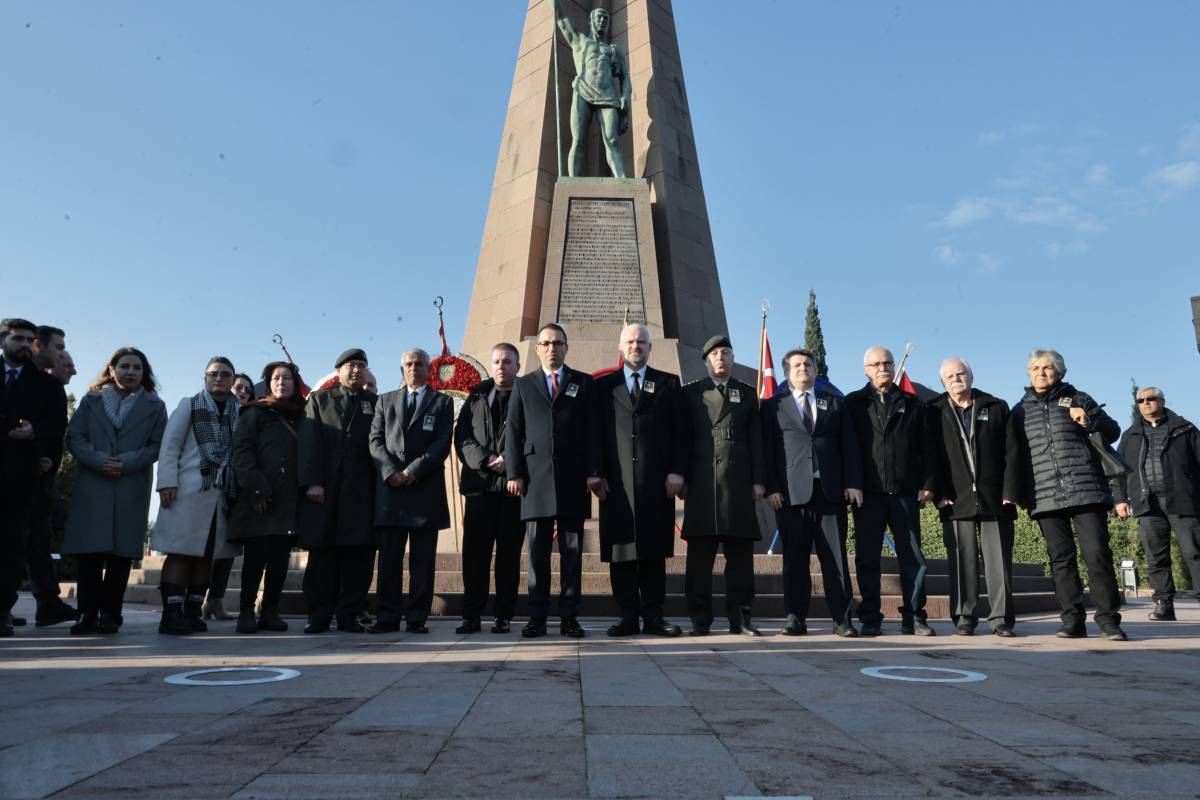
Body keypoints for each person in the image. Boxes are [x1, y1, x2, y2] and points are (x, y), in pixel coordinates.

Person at [1012, 349, 1127, 641]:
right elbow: (1015, 457)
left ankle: (1109, 620)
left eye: (1047, 367)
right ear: (1028, 373)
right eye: (1035, 367)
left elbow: (1113, 430)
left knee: (1097, 555)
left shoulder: (1079, 398)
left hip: (1086, 490)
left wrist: (1089, 420)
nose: (1041, 372)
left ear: (1059, 372)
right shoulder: (1019, 410)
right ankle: (1072, 620)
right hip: (1045, 495)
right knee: (1061, 561)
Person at [588, 324, 687, 637]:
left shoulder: (668, 384)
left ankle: (654, 616)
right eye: (630, 341)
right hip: (615, 485)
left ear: (649, 347)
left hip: (656, 483)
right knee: (621, 553)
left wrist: (677, 471)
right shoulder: (604, 386)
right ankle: (627, 615)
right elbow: (595, 435)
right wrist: (594, 471)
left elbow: (681, 434)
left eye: (641, 342)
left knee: (654, 552)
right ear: (620, 346)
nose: (636, 346)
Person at [61, 347, 166, 635]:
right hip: (94, 483)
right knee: (91, 555)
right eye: (124, 366)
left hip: (130, 482)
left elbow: (158, 445)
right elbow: (75, 436)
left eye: (137, 368)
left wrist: (128, 462)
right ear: (112, 369)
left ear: (144, 374)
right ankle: (86, 614)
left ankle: (111, 614)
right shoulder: (91, 400)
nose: (130, 372)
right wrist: (98, 460)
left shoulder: (155, 406)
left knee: (121, 556)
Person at [763, 347, 862, 637]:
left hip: (830, 493)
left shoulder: (834, 402)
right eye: (797, 365)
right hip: (791, 495)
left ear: (815, 371)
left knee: (836, 560)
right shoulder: (773, 405)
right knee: (795, 560)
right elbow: (769, 451)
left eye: (808, 364)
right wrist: (772, 488)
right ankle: (795, 617)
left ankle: (843, 619)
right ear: (787, 373)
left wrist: (853, 482)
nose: (803, 368)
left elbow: (849, 445)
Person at [505, 323, 594, 638]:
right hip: (534, 480)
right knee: (537, 553)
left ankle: (570, 617)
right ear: (538, 348)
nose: (552, 348)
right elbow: (513, 431)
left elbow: (592, 432)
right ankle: (537, 617)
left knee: (572, 554)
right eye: (546, 343)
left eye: (558, 343)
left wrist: (593, 472)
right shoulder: (523, 384)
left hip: (573, 478)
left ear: (566, 347)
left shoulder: (583, 382)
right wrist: (514, 473)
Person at [845, 346, 936, 637]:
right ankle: (870, 617)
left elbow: (928, 449)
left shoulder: (913, 403)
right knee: (867, 558)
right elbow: (848, 450)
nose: (882, 367)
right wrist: (852, 482)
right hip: (867, 495)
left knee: (912, 558)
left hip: (905, 493)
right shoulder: (853, 403)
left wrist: (928, 483)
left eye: (887, 362)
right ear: (866, 370)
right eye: (876, 363)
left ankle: (915, 617)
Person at [927, 358, 1019, 637]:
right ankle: (965, 616)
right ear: (942, 382)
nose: (957, 379)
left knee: (999, 563)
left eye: (961, 373)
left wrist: (1011, 490)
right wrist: (938, 494)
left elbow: (1012, 452)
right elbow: (930, 456)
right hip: (955, 500)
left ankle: (1001, 618)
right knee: (961, 561)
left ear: (971, 375)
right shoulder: (933, 411)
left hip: (995, 498)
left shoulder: (996, 406)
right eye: (950, 376)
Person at [680, 335, 765, 636]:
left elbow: (756, 441)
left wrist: (758, 481)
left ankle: (740, 618)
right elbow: (681, 441)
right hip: (702, 487)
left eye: (726, 353)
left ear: (732, 359)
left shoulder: (746, 394)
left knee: (740, 561)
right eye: (715, 353)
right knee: (699, 562)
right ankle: (699, 619)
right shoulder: (690, 394)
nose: (721, 358)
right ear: (705, 361)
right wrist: (680, 475)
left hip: (738, 487)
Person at [150, 357, 240, 635]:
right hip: (186, 491)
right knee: (180, 553)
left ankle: (192, 612)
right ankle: (171, 615)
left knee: (207, 556)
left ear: (233, 379)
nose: (219, 378)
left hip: (222, 495)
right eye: (213, 373)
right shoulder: (189, 405)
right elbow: (170, 446)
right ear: (205, 378)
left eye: (225, 374)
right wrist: (166, 482)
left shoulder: (241, 411)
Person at [368, 348, 452, 634]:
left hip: (424, 491)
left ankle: (417, 617)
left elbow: (442, 443)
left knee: (423, 561)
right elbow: (375, 441)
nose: (413, 368)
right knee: (389, 559)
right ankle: (387, 616)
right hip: (391, 493)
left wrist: (412, 472)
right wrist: (390, 472)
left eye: (419, 363)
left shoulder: (442, 402)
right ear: (401, 368)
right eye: (408, 363)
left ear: (429, 369)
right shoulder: (385, 400)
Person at [298, 349, 378, 634]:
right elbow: (309, 443)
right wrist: (313, 481)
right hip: (326, 490)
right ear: (339, 370)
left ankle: (350, 614)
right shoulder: (320, 400)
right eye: (351, 365)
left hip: (361, 491)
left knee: (358, 557)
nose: (356, 370)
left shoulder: (375, 403)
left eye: (361, 366)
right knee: (323, 557)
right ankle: (318, 614)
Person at [1, 319, 69, 636]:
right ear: (3, 340)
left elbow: (56, 426)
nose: (25, 345)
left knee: (12, 546)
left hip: (20, 477)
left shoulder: (47, 385)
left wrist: (35, 432)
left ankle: (2, 608)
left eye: (30, 339)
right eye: (19, 339)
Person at [226, 361, 304, 634]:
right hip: (259, 496)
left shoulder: (301, 414)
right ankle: (246, 611)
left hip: (288, 498)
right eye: (275, 378)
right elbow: (242, 452)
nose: (281, 382)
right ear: (268, 383)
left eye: (287, 378)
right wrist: (257, 488)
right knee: (256, 558)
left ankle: (271, 610)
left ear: (295, 384)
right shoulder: (254, 412)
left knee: (280, 559)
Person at [453, 342, 523, 634]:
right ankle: (472, 614)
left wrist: (511, 461)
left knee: (509, 556)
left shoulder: (528, 393)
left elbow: (536, 436)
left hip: (512, 489)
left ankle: (503, 614)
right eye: (496, 361)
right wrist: (485, 459)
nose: (500, 366)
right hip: (480, 488)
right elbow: (463, 437)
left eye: (507, 361)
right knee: (475, 555)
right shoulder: (477, 394)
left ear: (517, 366)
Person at [1115, 387, 1200, 621]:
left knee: (1195, 552)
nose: (1145, 403)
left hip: (1184, 501)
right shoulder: (1130, 435)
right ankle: (1164, 605)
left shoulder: (1185, 429)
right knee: (1156, 557)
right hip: (1147, 504)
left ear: (1161, 401)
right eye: (1140, 400)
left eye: (1150, 399)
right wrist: (1120, 499)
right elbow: (1120, 471)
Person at [18, 325, 77, 628]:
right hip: (13, 473)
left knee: (36, 539)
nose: (62, 356)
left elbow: (54, 430)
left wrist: (48, 460)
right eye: (58, 348)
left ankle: (47, 603)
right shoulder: (15, 379)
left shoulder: (50, 386)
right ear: (39, 346)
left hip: (38, 478)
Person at [550, 0, 631, 178]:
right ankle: (572, 182)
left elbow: (625, 78)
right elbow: (561, 19)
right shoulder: (579, 41)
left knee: (612, 140)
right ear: (590, 21)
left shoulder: (614, 51)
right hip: (583, 92)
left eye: (605, 19)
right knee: (578, 140)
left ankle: (622, 181)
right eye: (599, 18)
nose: (602, 21)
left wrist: (626, 97)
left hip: (608, 97)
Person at [203, 372, 256, 620]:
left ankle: (216, 600)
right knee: (207, 546)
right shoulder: (214, 413)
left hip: (240, 490)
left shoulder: (251, 416)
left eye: (247, 388)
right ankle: (197, 598)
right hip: (212, 487)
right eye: (238, 387)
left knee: (228, 549)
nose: (243, 391)